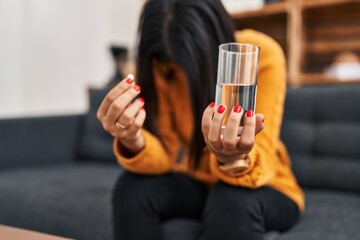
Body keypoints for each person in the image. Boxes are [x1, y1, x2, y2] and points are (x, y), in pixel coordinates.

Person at [96, 0, 304, 239]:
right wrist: (133, 138)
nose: (178, 73)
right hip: (200, 183)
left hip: (268, 186)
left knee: (230, 200)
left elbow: (264, 158)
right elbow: (167, 152)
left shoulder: (260, 53)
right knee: (131, 189)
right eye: (170, 66)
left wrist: (233, 159)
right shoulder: (163, 63)